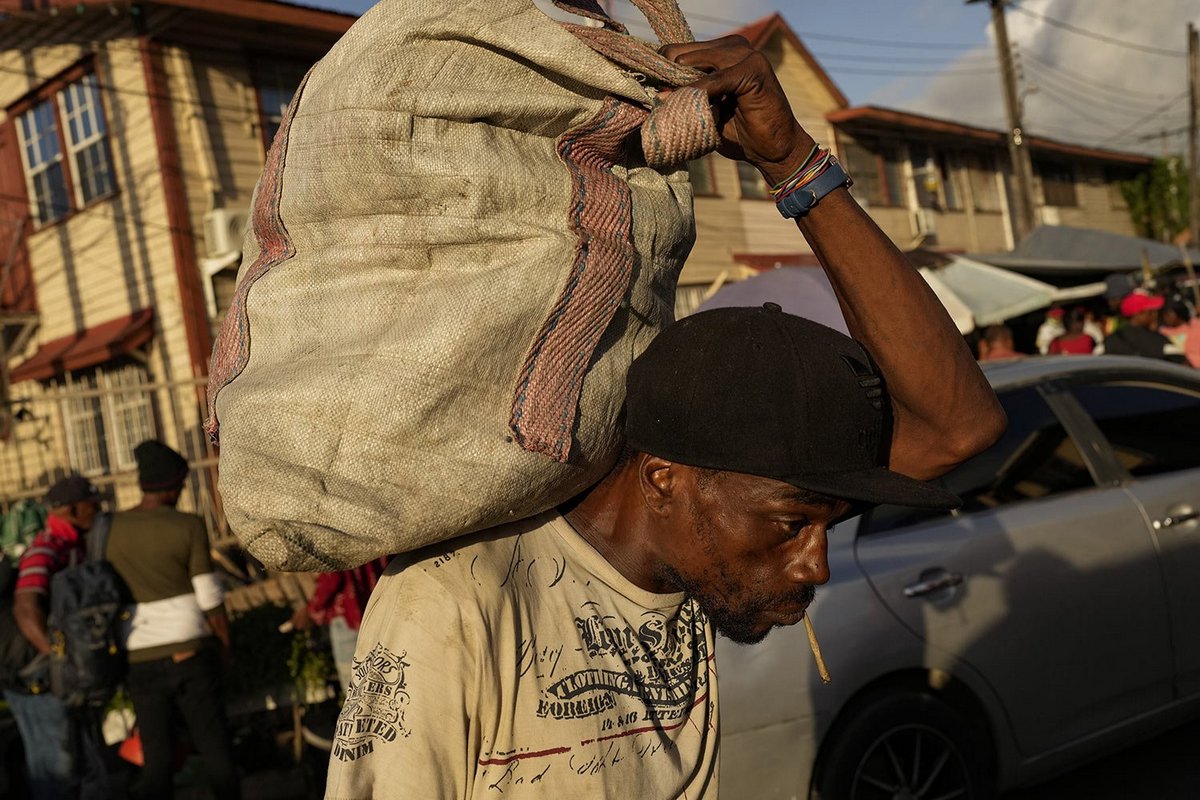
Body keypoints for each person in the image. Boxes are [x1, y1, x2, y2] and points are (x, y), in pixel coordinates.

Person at [323, 35, 1005, 799]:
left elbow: (959, 429)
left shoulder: (691, 548)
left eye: (824, 524)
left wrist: (791, 162)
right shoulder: (456, 606)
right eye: (793, 523)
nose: (816, 563)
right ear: (664, 478)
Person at [104, 440, 241, 800]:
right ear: (170, 485)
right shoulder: (189, 525)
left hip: (139, 657)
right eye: (181, 484)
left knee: (157, 756)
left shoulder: (109, 530)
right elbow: (209, 597)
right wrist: (225, 647)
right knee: (214, 745)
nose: (182, 490)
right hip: (189, 652)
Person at [10, 474, 108, 800]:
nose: (99, 510)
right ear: (72, 509)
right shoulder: (46, 548)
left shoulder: (75, 545)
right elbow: (26, 609)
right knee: (56, 772)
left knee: (82, 767)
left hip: (62, 677)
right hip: (38, 679)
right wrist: (58, 659)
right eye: (93, 505)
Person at [289, 558, 389, 694]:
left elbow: (332, 578)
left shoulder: (335, 543)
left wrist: (310, 610)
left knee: (354, 688)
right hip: (379, 611)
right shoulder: (377, 541)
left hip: (348, 616)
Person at [1101, 290, 1188, 363]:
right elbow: (1185, 367)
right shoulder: (1158, 341)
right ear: (1138, 314)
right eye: (1150, 312)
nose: (1155, 315)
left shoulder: (1109, 341)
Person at [1159, 300, 1200, 367]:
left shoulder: (1196, 326)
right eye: (1164, 315)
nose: (1166, 318)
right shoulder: (1162, 331)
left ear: (1179, 313)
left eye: (1168, 314)